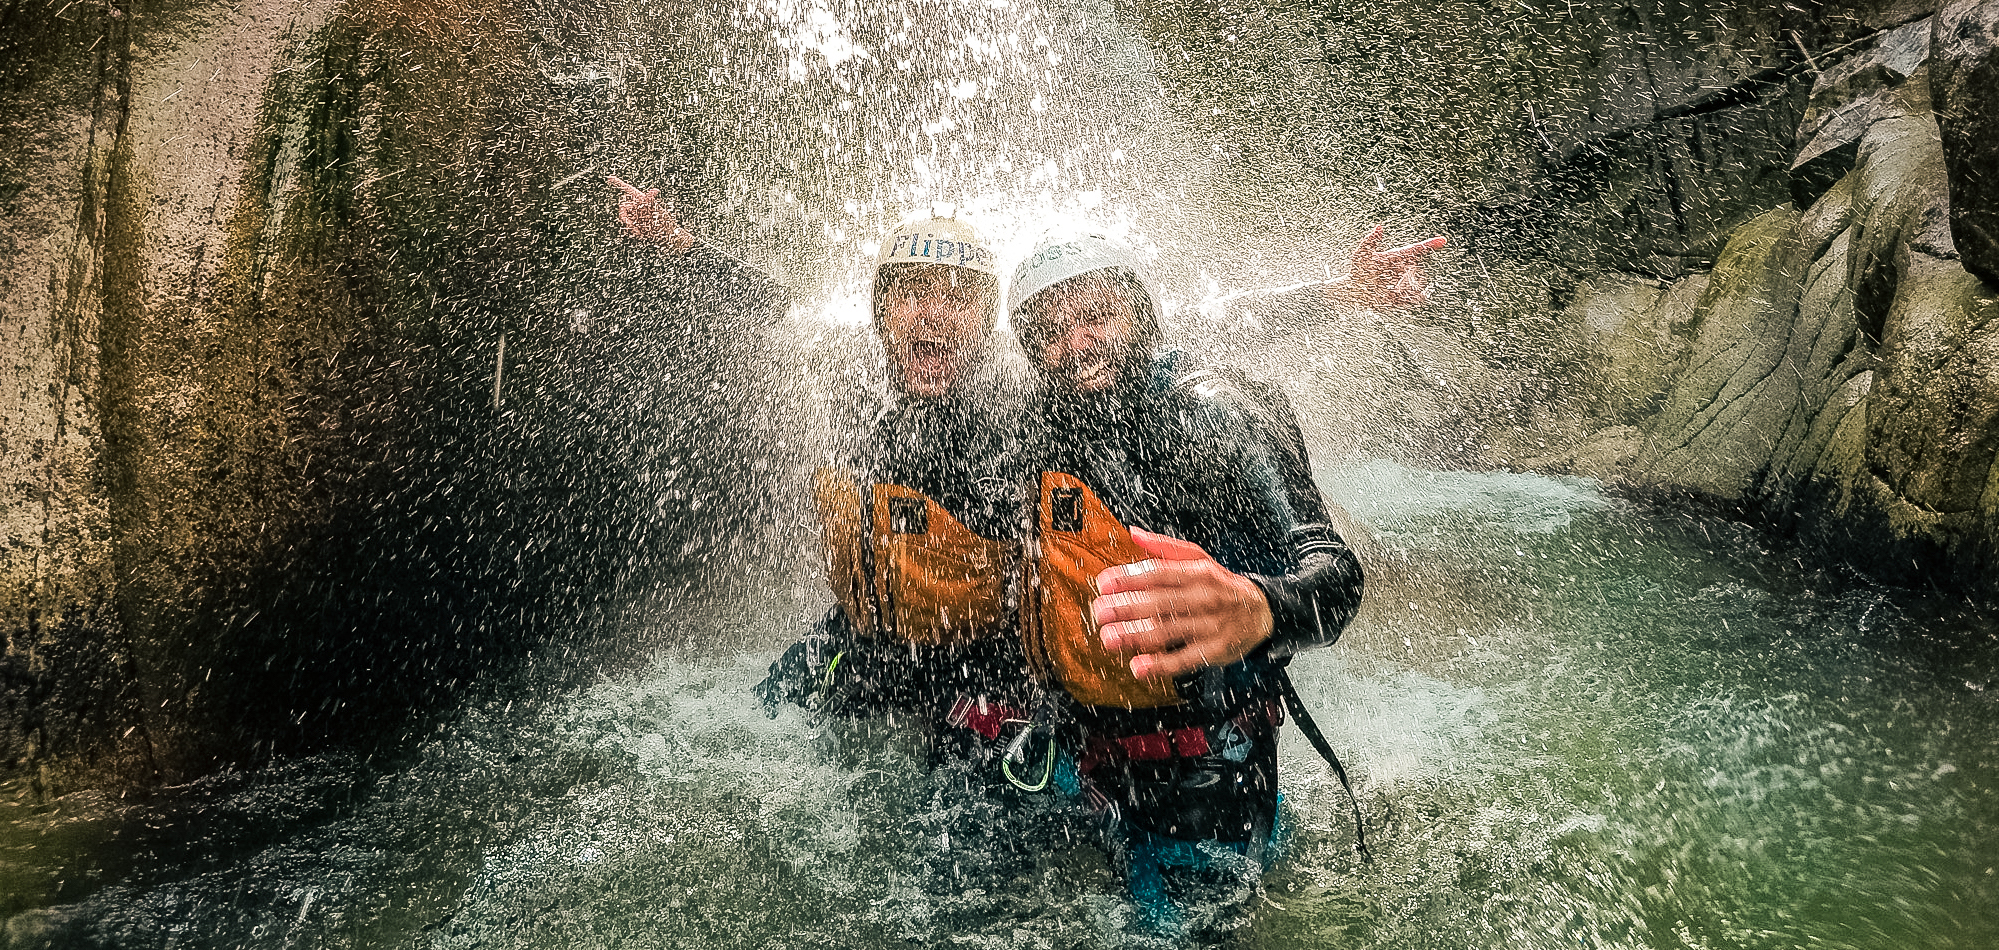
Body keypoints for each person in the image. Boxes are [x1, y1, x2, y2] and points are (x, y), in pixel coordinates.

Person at [1005, 225, 1443, 933]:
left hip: (1212, 771)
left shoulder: (1217, 412)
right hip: (1083, 755)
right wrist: (1335, 294)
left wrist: (1258, 606)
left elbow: (1336, 578)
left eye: (1094, 317)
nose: (1076, 343)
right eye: (1051, 332)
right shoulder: (1041, 418)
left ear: (1137, 319)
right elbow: (1236, 311)